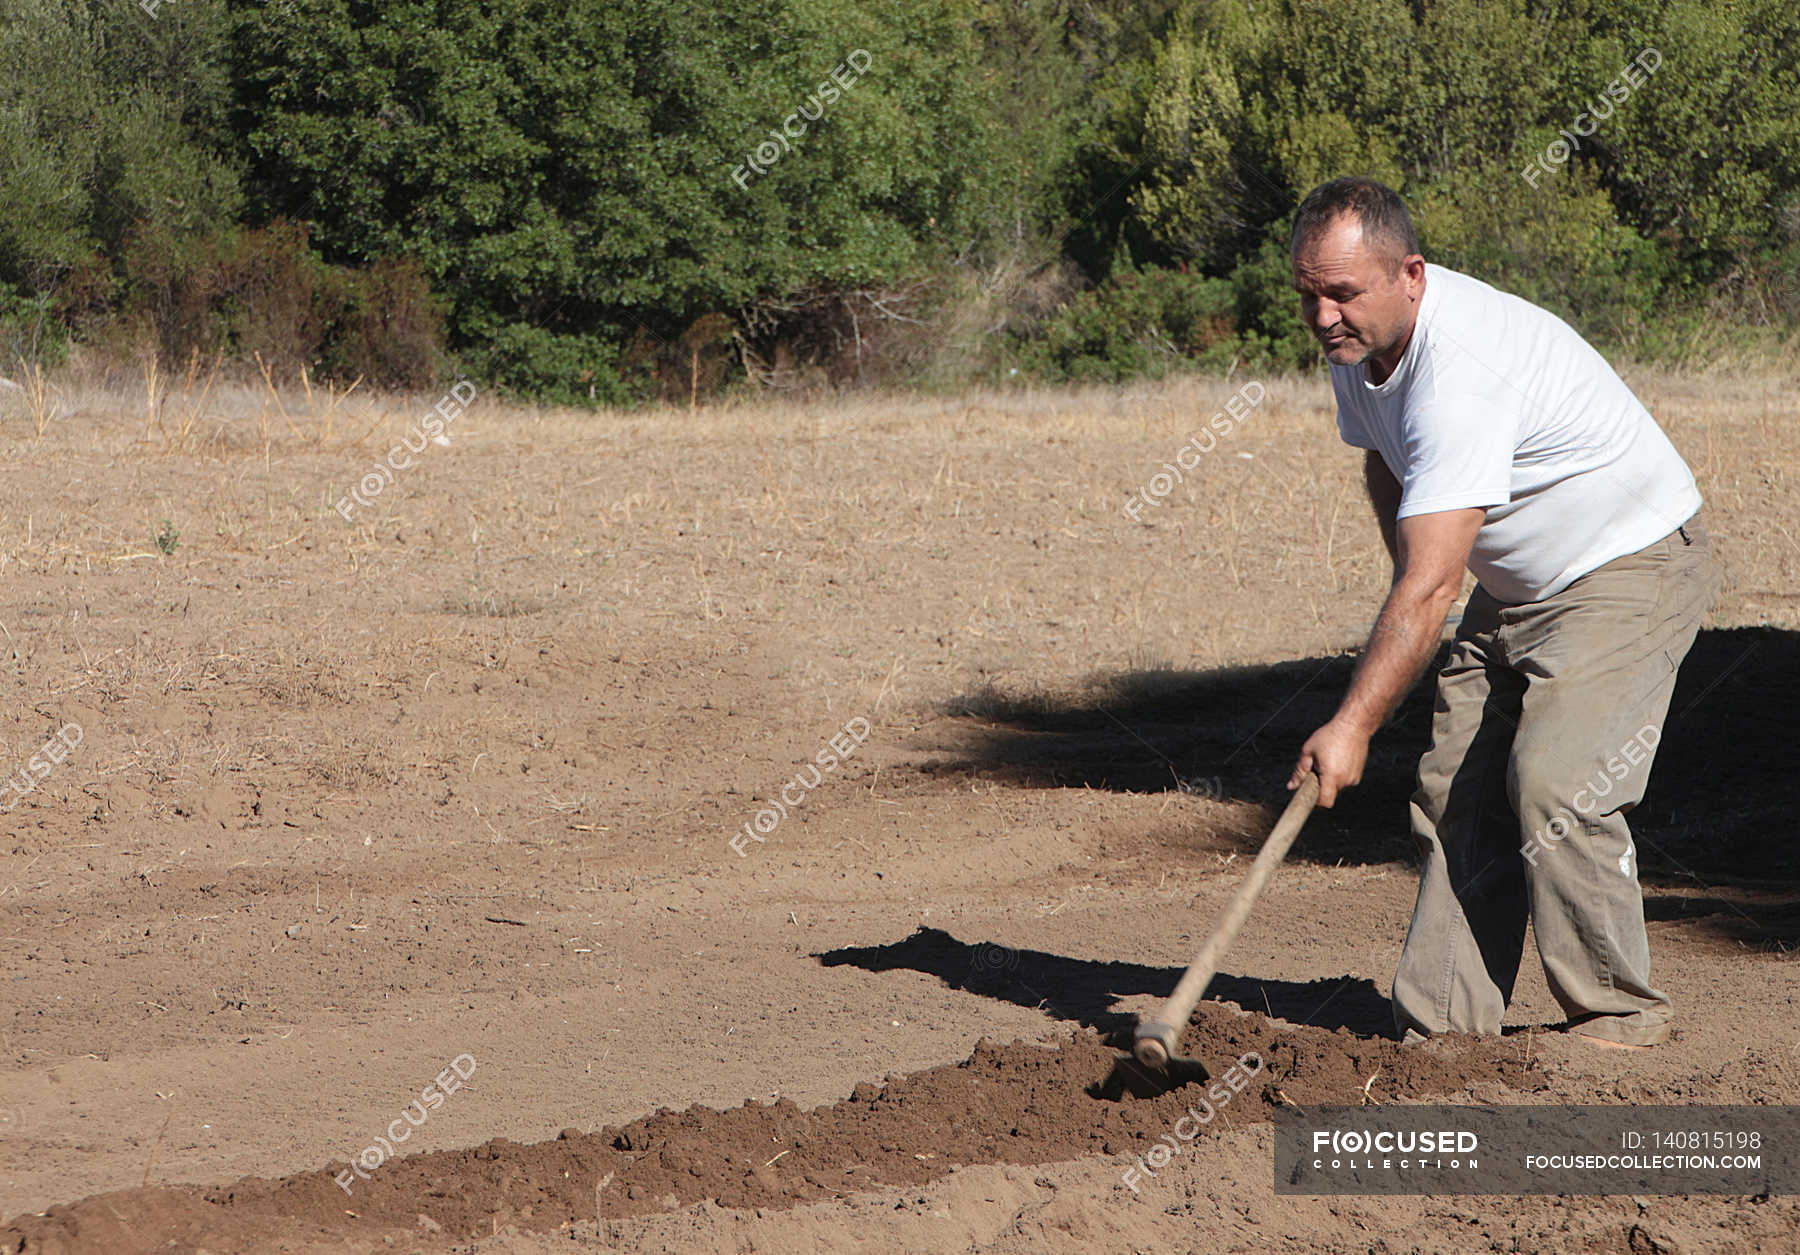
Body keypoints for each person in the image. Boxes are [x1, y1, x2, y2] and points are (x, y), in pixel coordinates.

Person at [1283, 176, 1719, 1048]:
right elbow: (1383, 455)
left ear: (1410, 273)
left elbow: (1435, 589)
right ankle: (1444, 1031)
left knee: (1557, 782)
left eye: (1342, 293)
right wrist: (1414, 569)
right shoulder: (1363, 351)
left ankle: (1618, 1018)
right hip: (1519, 583)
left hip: (1626, 562)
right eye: (1309, 294)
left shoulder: (1460, 369)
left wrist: (1352, 724)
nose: (1324, 314)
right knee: (1455, 790)